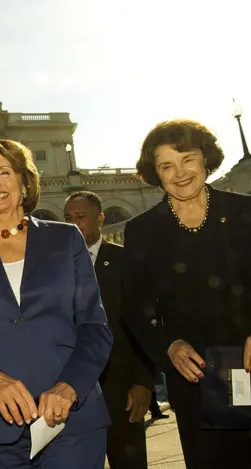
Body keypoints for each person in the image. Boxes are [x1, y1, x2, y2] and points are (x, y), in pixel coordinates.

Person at [0, 138, 113, 468]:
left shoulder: (66, 239)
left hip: (71, 420)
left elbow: (94, 328)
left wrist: (68, 387)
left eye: (4, 172)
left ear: (24, 179)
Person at [122, 118, 251, 468]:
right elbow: (135, 308)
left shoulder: (248, 212)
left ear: (205, 160)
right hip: (193, 374)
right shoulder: (142, 231)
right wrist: (169, 345)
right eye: (167, 165)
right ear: (156, 173)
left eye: (187, 159)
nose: (180, 173)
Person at [64, 191, 154, 469]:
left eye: (81, 217)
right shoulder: (56, 267)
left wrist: (144, 383)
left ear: (100, 219)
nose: (74, 224)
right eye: (68, 219)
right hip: (73, 391)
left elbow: (145, 326)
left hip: (122, 388)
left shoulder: (127, 261)